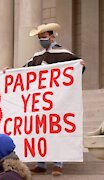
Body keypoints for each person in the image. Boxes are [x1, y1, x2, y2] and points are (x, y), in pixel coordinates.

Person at [24, 23, 85, 176]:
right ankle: (41, 164)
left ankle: (58, 164)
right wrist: (10, 71)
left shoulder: (63, 53)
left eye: (44, 37)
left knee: (55, 130)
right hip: (40, 102)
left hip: (58, 101)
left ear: (52, 37)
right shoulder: (37, 56)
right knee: (40, 130)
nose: (41, 40)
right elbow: (24, 70)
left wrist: (80, 65)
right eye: (39, 38)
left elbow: (75, 67)